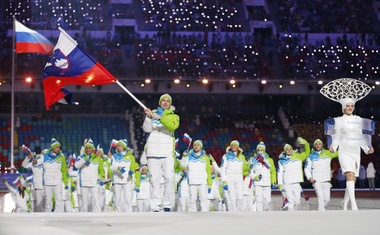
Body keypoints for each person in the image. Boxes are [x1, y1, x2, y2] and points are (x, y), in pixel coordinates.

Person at [321, 78, 375, 210]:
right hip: (344, 151)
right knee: (349, 175)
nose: (350, 107)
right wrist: (333, 146)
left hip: (355, 152)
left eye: (351, 106)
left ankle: (344, 203)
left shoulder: (358, 120)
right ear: (343, 107)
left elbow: (361, 136)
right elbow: (336, 136)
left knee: (353, 180)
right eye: (347, 106)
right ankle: (354, 205)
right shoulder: (338, 121)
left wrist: (367, 148)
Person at [143, 93, 180, 212]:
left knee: (169, 178)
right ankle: (155, 206)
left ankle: (167, 204)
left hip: (167, 152)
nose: (165, 102)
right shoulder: (153, 114)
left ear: (170, 104)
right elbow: (146, 129)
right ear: (160, 103)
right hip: (152, 153)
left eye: (167, 101)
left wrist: (160, 117)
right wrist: (148, 117)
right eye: (163, 101)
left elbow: (172, 127)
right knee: (154, 179)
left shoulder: (174, 116)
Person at [304, 139, 338, 211]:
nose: (318, 145)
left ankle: (323, 209)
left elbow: (340, 153)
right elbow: (306, 168)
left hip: (327, 180)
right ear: (314, 146)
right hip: (316, 180)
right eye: (316, 144)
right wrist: (310, 177)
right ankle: (321, 212)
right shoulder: (310, 157)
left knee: (327, 199)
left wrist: (335, 147)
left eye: (319, 144)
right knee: (320, 196)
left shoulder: (328, 153)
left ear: (321, 145)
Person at [277, 137, 310, 211]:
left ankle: (295, 215)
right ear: (285, 151)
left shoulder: (299, 157)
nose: (289, 150)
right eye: (287, 149)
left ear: (292, 150)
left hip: (296, 182)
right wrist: (280, 184)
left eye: (290, 149)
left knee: (297, 201)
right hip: (287, 183)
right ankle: (290, 217)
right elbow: (280, 173)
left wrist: (306, 144)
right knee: (290, 200)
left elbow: (307, 152)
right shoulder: (281, 161)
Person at [36, 138, 68, 212]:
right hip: (47, 182)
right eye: (56, 147)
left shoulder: (61, 157)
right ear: (53, 148)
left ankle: (58, 216)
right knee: (48, 201)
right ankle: (48, 216)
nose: (58, 149)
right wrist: (35, 162)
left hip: (57, 181)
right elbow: (37, 162)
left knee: (59, 199)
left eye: (59, 147)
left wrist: (65, 181)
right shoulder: (45, 156)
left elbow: (63, 170)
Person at [108, 139, 140, 212]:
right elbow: (111, 167)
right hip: (117, 180)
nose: (118, 147)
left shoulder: (130, 156)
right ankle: (117, 212)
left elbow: (134, 165)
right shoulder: (114, 156)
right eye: (118, 146)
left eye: (120, 146)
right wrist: (118, 168)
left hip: (127, 180)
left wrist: (132, 170)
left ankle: (128, 213)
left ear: (124, 147)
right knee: (117, 199)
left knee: (128, 198)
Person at [180, 140, 212, 212]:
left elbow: (208, 171)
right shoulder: (189, 156)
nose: (196, 146)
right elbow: (182, 166)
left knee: (203, 198)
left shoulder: (206, 157)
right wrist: (184, 156)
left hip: (203, 181)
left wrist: (209, 183)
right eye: (195, 145)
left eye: (198, 145)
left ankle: (204, 213)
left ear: (201, 146)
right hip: (192, 181)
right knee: (192, 199)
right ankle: (192, 213)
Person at [75, 139, 105, 212]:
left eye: (90, 148)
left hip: (94, 183)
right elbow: (76, 166)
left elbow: (101, 170)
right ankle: (83, 216)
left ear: (92, 149)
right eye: (87, 148)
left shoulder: (97, 158)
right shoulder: (81, 157)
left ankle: (97, 215)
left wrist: (102, 178)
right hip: (84, 183)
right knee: (84, 201)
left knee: (96, 200)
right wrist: (84, 160)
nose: (88, 149)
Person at [220, 140, 250, 211]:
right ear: (230, 147)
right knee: (232, 197)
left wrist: (250, 166)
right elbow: (223, 169)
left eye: (235, 145)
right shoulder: (226, 156)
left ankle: (239, 211)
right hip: (229, 178)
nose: (233, 146)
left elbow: (244, 168)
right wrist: (224, 180)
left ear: (238, 147)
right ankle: (233, 211)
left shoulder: (242, 156)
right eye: (232, 145)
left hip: (239, 178)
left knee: (240, 196)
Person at [248, 142, 276, 211]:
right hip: (258, 183)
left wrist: (274, 181)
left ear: (264, 150)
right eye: (259, 150)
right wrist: (255, 177)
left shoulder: (270, 160)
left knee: (267, 200)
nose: (260, 152)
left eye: (262, 150)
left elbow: (273, 172)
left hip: (267, 183)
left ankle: (265, 213)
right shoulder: (254, 160)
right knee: (258, 200)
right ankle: (259, 215)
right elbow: (250, 172)